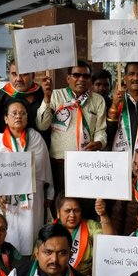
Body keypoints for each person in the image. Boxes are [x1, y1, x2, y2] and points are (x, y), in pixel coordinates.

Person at [0, 101, 54, 256]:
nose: (18, 116)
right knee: (8, 234)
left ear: (27, 118)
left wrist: (18, 171)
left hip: (31, 198)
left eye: (22, 113)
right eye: (14, 113)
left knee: (30, 234)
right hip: (4, 199)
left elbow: (41, 167)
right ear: (6, 118)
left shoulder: (36, 138)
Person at [36, 62, 107, 195]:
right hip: (60, 163)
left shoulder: (98, 100)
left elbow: (101, 130)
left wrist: (99, 142)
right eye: (76, 75)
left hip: (87, 163)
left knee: (84, 204)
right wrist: (46, 98)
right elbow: (42, 125)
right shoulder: (56, 95)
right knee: (61, 204)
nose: (81, 79)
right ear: (68, 78)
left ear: (90, 79)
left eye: (86, 76)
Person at [53, 195, 114, 276]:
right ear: (58, 213)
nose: (72, 215)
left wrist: (103, 215)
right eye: (67, 211)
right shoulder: (49, 230)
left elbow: (109, 240)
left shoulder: (91, 226)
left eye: (76, 210)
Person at [106, 62, 138, 155]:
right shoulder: (113, 102)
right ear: (125, 79)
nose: (135, 78)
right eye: (131, 74)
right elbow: (108, 134)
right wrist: (114, 106)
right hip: (120, 160)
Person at [0, 61, 41, 136]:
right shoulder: (0, 97)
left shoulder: (43, 94)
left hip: (38, 145)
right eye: (14, 74)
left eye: (24, 74)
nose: (19, 79)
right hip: (7, 145)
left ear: (33, 75)